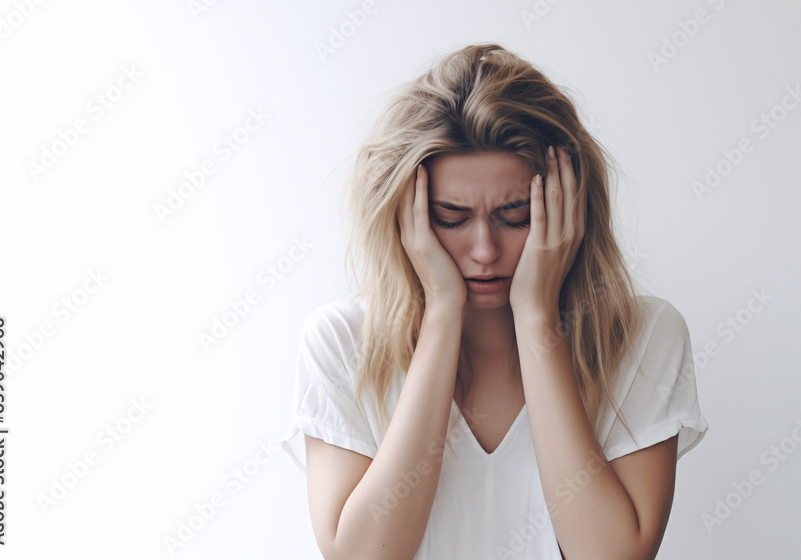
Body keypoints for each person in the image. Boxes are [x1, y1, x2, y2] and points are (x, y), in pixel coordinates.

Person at [280, 42, 708, 560]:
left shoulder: (645, 336)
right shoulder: (341, 342)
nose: (484, 251)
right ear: (404, 216)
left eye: (515, 216)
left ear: (567, 209)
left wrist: (536, 318)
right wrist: (442, 312)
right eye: (451, 218)